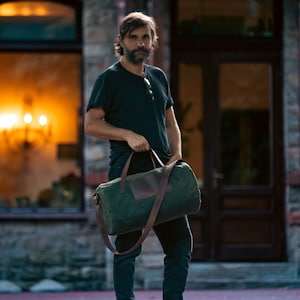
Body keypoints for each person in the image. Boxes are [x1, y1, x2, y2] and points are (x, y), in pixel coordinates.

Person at [84, 11, 193, 300]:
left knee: (181, 243)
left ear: (153, 41)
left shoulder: (158, 77)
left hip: (163, 175)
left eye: (146, 37)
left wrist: (177, 152)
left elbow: (171, 122)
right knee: (129, 247)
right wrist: (128, 135)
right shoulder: (109, 79)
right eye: (133, 37)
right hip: (129, 176)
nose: (140, 43)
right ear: (121, 40)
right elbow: (91, 124)